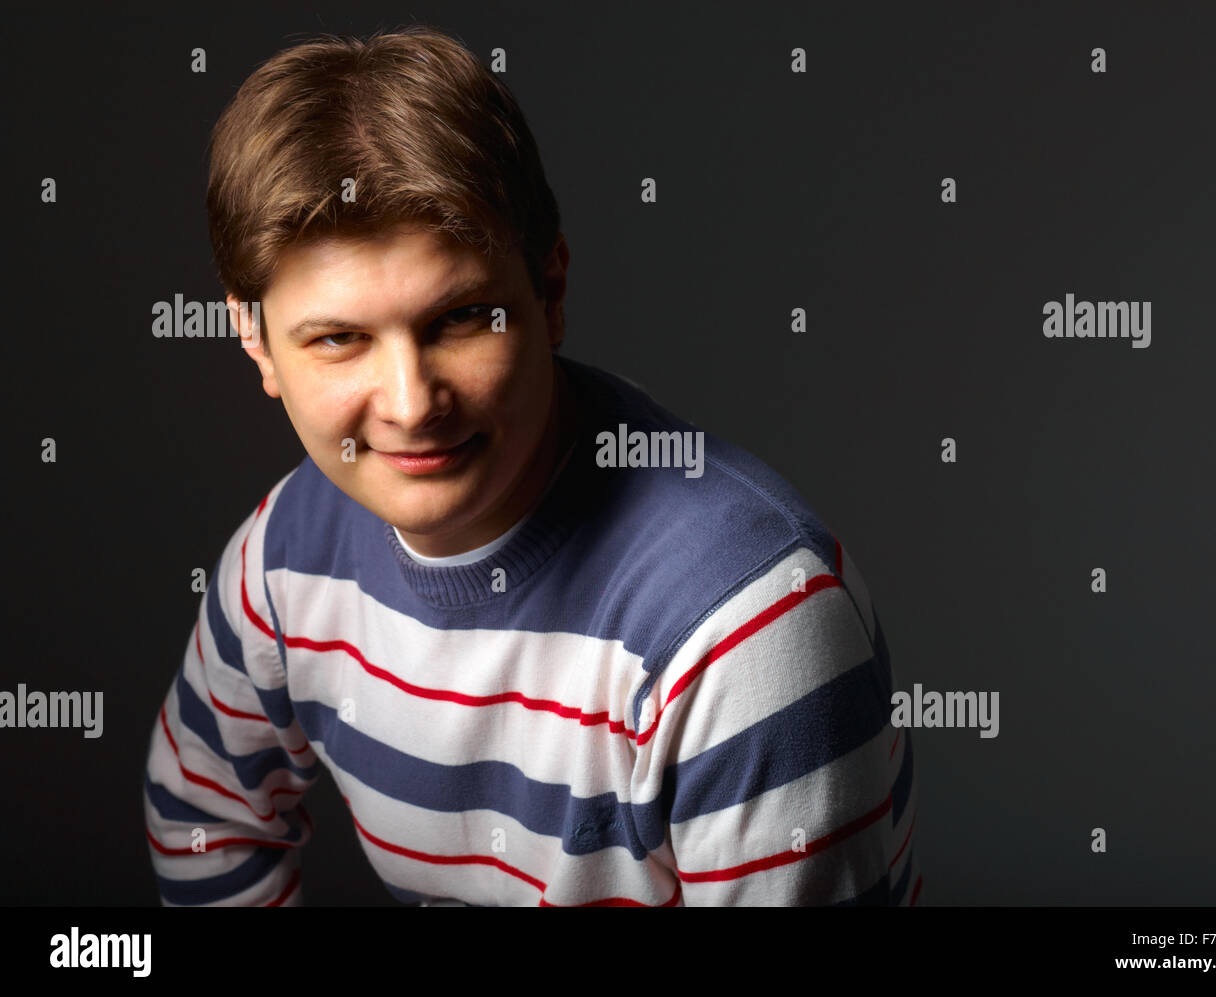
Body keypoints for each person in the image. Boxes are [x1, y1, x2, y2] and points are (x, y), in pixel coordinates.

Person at [142, 25, 921, 906]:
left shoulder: (745, 627)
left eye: (462, 318)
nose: (409, 401)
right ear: (257, 344)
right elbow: (202, 813)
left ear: (550, 292)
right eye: (338, 339)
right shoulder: (282, 558)